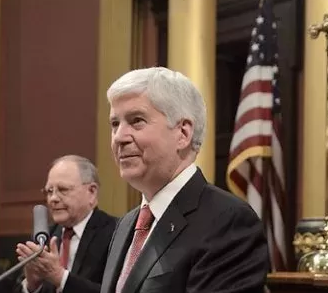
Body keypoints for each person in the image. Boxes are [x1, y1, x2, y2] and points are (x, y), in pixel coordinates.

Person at [100, 67, 269, 293]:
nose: (119, 137)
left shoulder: (228, 222)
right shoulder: (126, 224)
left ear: (183, 133)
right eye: (115, 124)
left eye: (136, 120)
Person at [15, 155, 117, 293]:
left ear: (92, 192)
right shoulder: (44, 236)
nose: (53, 199)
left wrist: (60, 277)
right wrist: (32, 285)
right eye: (49, 191)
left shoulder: (115, 233)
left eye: (63, 190)